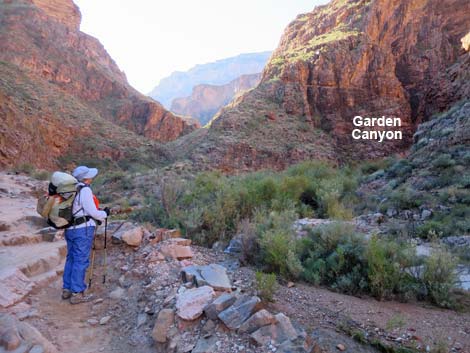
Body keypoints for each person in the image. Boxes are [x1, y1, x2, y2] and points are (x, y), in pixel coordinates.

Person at [62, 166, 110, 304]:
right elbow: (93, 213)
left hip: (69, 229)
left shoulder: (71, 190)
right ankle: (77, 292)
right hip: (82, 230)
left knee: (71, 258)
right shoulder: (85, 190)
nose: (91, 178)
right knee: (80, 260)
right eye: (89, 176)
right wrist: (105, 214)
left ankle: (67, 289)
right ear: (85, 178)